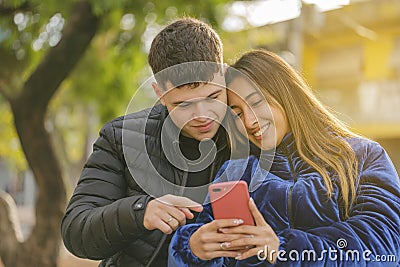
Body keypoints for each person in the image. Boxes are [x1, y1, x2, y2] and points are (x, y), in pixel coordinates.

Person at [169, 49, 400, 266]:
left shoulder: (364, 156)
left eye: (257, 102)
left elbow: (384, 244)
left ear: (286, 93)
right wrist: (192, 249)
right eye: (237, 113)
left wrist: (284, 248)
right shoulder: (237, 174)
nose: (249, 122)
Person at [61, 18, 236, 267]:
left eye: (213, 96)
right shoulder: (121, 138)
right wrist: (141, 212)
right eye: (183, 104)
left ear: (225, 74)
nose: (202, 115)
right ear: (159, 93)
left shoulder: (252, 135)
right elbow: (76, 231)